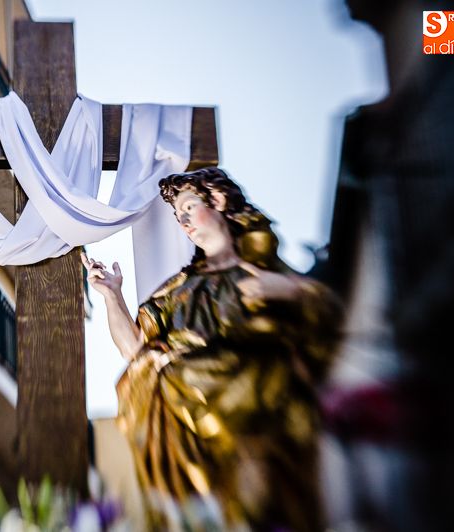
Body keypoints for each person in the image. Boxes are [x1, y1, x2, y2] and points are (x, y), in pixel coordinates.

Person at [81, 167, 342, 531]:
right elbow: (135, 351)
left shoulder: (261, 271)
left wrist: (288, 290)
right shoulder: (178, 291)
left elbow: (327, 315)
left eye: (189, 208)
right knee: (156, 371)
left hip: (256, 411)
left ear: (217, 201)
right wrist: (112, 295)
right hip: (192, 423)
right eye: (179, 216)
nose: (184, 222)